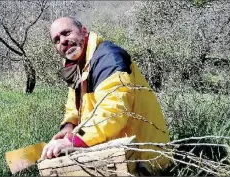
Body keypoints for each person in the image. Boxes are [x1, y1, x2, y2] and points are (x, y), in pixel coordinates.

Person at [40, 17, 171, 175]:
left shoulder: (108, 58)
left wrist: (73, 140)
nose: (63, 41)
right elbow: (73, 107)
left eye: (66, 33)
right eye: (57, 40)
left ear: (84, 31)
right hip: (111, 149)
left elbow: (113, 113)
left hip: (142, 157)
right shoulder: (78, 66)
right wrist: (69, 126)